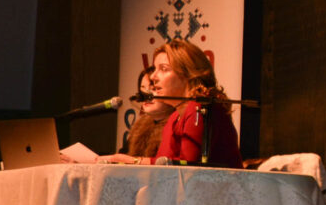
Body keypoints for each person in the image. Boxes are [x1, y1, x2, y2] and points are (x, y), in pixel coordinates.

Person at [102, 38, 241, 167]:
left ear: (188, 74)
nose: (153, 77)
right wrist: (127, 160)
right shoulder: (175, 117)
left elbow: (186, 168)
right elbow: (163, 165)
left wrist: (133, 161)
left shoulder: (199, 108)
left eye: (163, 69)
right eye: (155, 69)